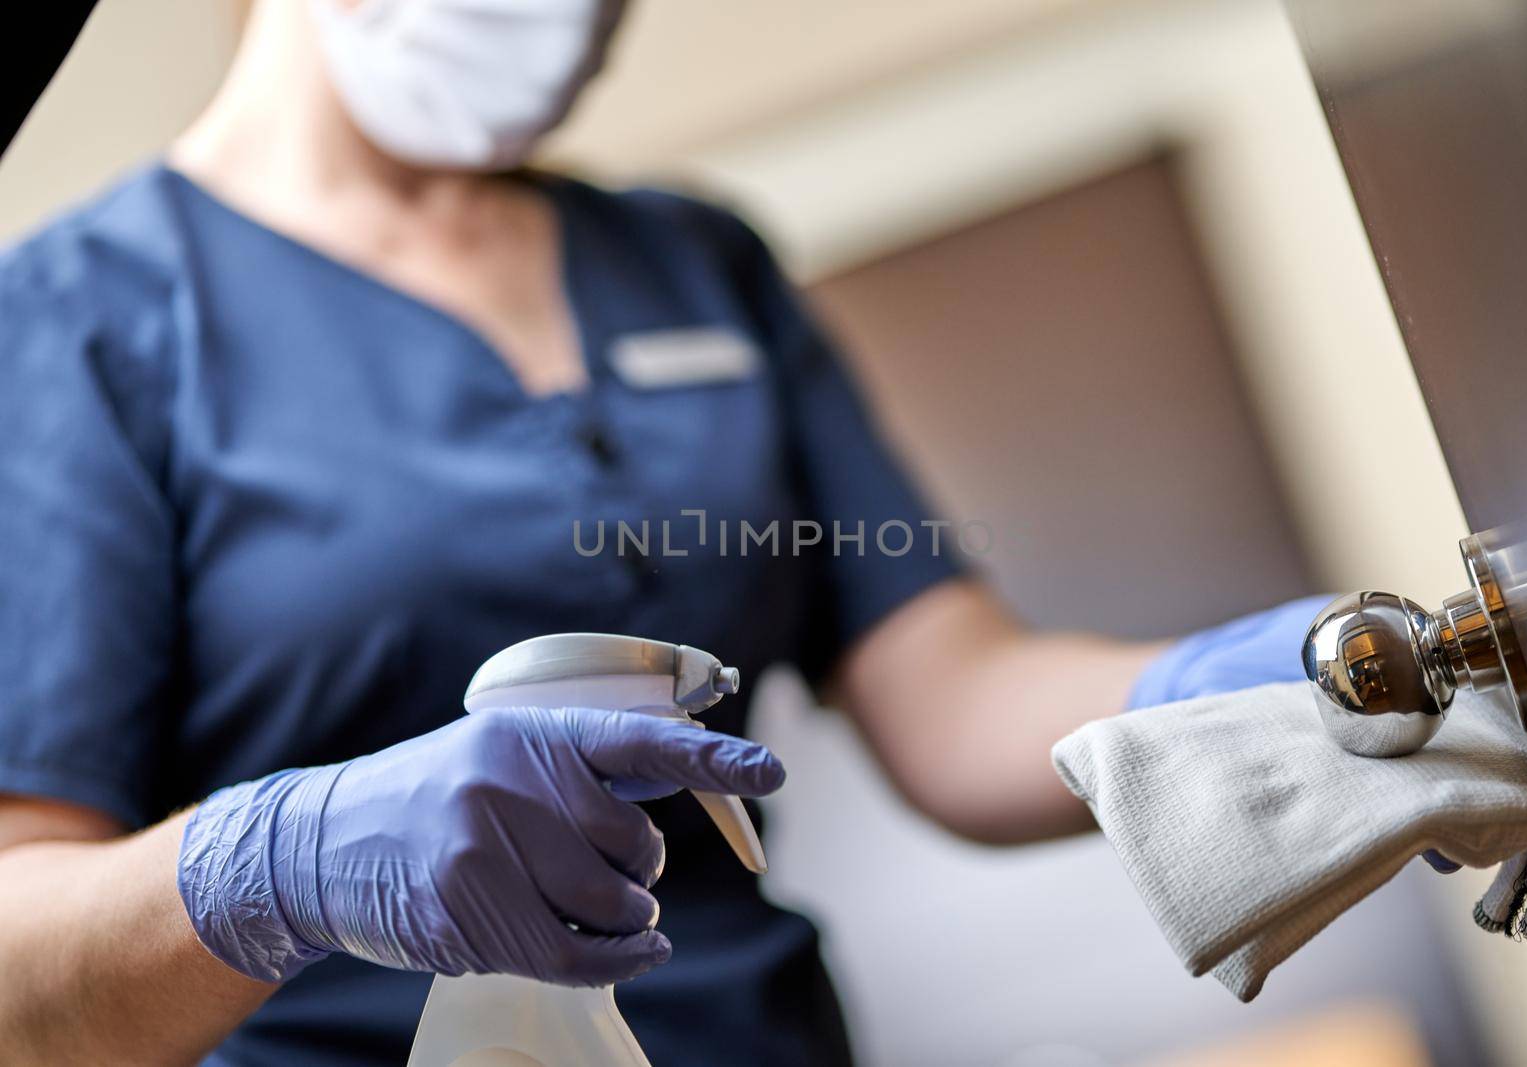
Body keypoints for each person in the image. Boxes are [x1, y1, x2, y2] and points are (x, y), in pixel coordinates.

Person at [0, 1, 1321, 1064]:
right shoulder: (79, 322)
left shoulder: (693, 261)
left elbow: (955, 699)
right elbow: (20, 961)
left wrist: (1290, 696)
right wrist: (279, 866)